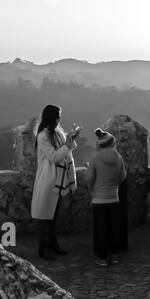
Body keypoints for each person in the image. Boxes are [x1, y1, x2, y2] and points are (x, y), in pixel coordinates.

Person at [30, 104, 79, 261]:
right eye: (58, 115)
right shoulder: (43, 136)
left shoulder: (57, 131)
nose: (60, 118)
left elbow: (65, 150)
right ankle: (43, 249)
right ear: (51, 117)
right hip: (48, 180)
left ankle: (53, 244)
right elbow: (54, 157)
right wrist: (68, 144)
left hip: (59, 180)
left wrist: (71, 138)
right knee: (45, 216)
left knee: (53, 216)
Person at [89, 129, 126, 266]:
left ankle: (103, 257)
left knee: (101, 229)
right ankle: (115, 255)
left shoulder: (95, 159)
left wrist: (92, 189)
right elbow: (122, 177)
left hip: (99, 198)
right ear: (112, 143)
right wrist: (114, 185)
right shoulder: (119, 158)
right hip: (114, 198)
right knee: (114, 228)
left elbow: (89, 178)